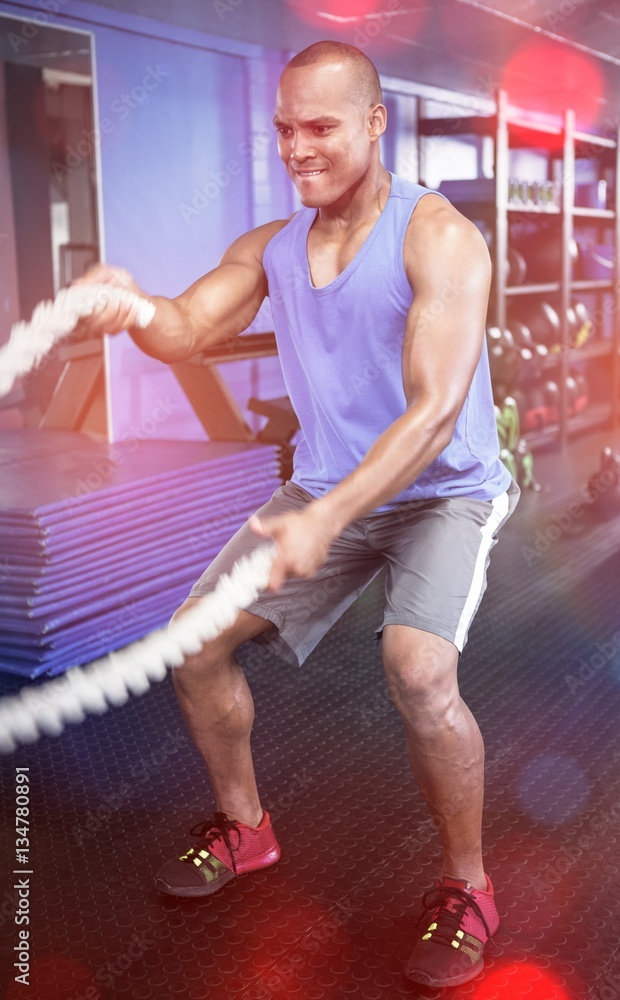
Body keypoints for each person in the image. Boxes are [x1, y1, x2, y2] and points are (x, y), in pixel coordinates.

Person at [77, 40, 520, 990]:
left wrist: (332, 518)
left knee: (418, 668)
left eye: (319, 126)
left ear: (373, 123)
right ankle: (247, 830)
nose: (295, 147)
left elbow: (433, 408)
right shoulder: (274, 247)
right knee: (193, 644)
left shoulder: (437, 236)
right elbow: (187, 327)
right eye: (283, 127)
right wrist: (129, 306)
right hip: (324, 489)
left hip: (442, 492)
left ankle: (469, 887)